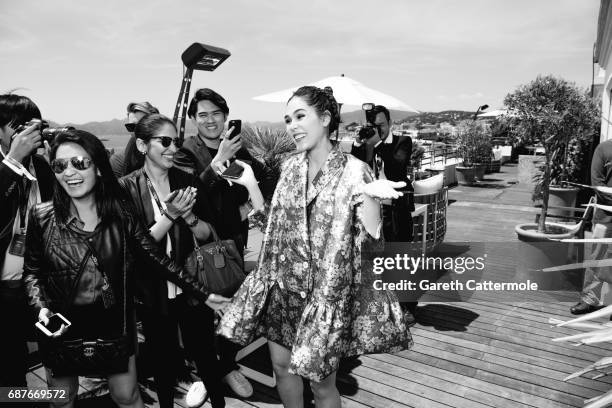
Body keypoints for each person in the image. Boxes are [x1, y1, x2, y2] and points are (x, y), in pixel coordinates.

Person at [217, 86, 412, 408]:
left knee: (321, 384)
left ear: (324, 119)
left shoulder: (353, 171)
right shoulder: (290, 168)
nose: (292, 125)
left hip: (323, 299)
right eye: (287, 119)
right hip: (284, 291)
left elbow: (372, 242)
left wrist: (373, 198)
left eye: (300, 116)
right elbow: (273, 226)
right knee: (283, 370)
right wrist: (250, 183)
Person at [22, 129, 208, 408]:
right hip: (61, 327)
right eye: (60, 166)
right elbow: (32, 271)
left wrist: (204, 293)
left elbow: (155, 258)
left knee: (126, 396)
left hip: (112, 324)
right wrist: (40, 308)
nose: (69, 172)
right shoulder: (42, 216)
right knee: (61, 399)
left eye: (80, 163)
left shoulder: (120, 212)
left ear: (98, 167)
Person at [120, 114, 228, 408]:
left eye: (175, 141)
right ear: (142, 145)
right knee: (163, 361)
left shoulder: (187, 180)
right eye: (164, 141)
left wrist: (190, 216)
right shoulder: (126, 188)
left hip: (192, 287)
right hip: (153, 292)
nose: (172, 148)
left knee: (206, 355)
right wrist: (170, 215)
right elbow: (136, 247)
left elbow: (208, 234)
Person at [174, 88, 263, 397]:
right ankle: (204, 370)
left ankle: (226, 365)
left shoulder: (238, 147)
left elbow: (255, 183)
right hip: (200, 246)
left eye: (216, 113)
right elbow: (189, 193)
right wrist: (218, 162)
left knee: (235, 309)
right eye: (203, 115)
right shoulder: (186, 151)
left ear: (226, 116)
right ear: (193, 120)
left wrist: (247, 205)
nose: (210, 120)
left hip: (233, 241)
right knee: (199, 312)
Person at [0, 93, 55, 387]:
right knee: (11, 368)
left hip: (37, 282)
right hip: (4, 287)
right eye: (15, 127)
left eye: (30, 126)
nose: (25, 135)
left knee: (55, 353)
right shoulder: (5, 168)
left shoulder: (41, 167)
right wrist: (12, 162)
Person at [350, 104, 417, 324]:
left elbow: (397, 166)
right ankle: (381, 305)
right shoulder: (369, 144)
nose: (378, 129)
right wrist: (359, 145)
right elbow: (355, 170)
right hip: (373, 210)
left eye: (381, 125)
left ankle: (406, 306)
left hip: (396, 211)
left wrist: (377, 143)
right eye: (374, 126)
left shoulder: (402, 142)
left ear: (390, 123)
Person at [570, 139, 612, 314]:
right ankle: (590, 299)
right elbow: (597, 183)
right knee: (598, 256)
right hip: (605, 216)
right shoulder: (604, 148)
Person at [110, 101, 159, 178]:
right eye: (132, 127)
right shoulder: (118, 161)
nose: (137, 131)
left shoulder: (169, 157)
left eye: (143, 125)